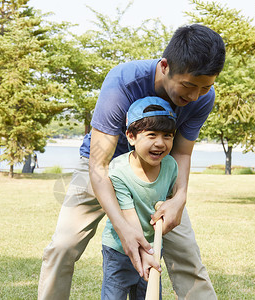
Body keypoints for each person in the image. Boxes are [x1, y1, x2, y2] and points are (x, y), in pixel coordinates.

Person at [38, 23, 226, 300]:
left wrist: (179, 198)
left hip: (157, 172)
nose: (195, 96)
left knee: (187, 256)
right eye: (188, 86)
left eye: (205, 87)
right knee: (63, 246)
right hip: (103, 167)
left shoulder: (203, 97)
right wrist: (125, 228)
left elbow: (183, 153)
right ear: (164, 66)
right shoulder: (123, 82)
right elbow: (99, 166)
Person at [101, 96, 178, 299]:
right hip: (119, 248)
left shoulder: (170, 166)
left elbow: (170, 198)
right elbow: (129, 216)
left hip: (153, 247)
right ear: (131, 136)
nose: (160, 143)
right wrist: (144, 251)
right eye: (152, 135)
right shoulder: (119, 170)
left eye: (167, 135)